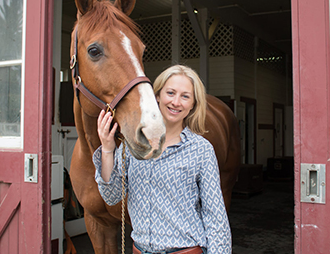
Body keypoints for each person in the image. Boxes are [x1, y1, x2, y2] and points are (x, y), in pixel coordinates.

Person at [92, 65, 232, 254]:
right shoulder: (132, 144)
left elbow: (215, 217)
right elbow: (111, 196)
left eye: (185, 96)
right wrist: (108, 149)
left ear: (193, 104)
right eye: (170, 93)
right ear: (156, 96)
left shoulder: (201, 150)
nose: (176, 102)